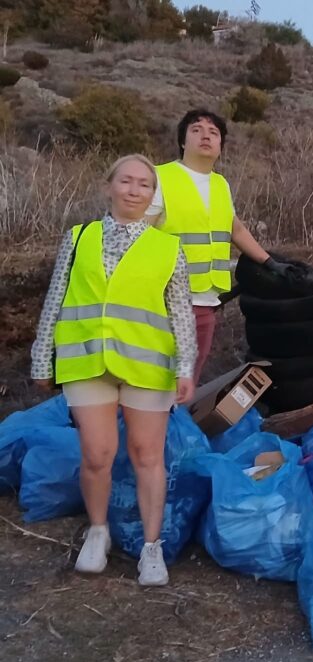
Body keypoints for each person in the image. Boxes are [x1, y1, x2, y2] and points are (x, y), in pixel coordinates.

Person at [30, 154, 197, 587]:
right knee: (97, 455)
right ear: (110, 186)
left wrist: (186, 366)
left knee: (147, 456)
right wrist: (40, 356)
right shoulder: (79, 237)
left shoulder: (168, 247)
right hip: (86, 360)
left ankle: (151, 547)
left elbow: (181, 312)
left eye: (144, 184)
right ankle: (98, 532)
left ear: (152, 194)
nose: (134, 190)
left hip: (147, 365)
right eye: (127, 181)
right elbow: (56, 297)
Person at [146, 109, 286, 382]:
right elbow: (139, 233)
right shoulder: (160, 177)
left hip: (207, 300)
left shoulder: (220, 184)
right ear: (183, 141)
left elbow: (236, 229)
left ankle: (174, 423)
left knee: (187, 380)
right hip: (166, 300)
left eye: (214, 133)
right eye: (196, 130)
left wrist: (269, 262)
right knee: (154, 379)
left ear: (221, 145)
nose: (206, 136)